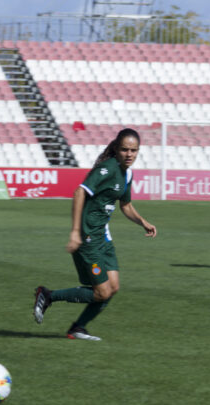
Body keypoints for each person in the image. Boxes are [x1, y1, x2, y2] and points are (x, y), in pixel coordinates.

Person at [32, 128, 157, 341]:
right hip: (87, 236)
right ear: (116, 149)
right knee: (102, 292)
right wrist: (75, 233)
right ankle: (49, 295)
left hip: (103, 238)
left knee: (113, 287)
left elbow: (125, 205)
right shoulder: (106, 169)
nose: (129, 154)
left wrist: (143, 222)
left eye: (134, 150)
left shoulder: (127, 173)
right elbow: (79, 191)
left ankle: (78, 328)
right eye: (125, 149)